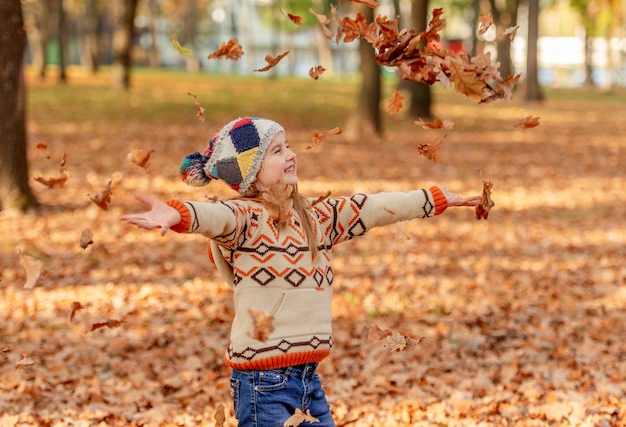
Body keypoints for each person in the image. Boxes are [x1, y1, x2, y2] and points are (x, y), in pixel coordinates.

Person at [120, 116, 481, 426]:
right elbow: (214, 217)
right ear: (250, 172)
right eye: (277, 151)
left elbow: (371, 207)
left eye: (287, 146)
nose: (291, 154)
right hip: (262, 383)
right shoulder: (245, 219)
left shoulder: (316, 217)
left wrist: (431, 199)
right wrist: (177, 215)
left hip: (307, 379)